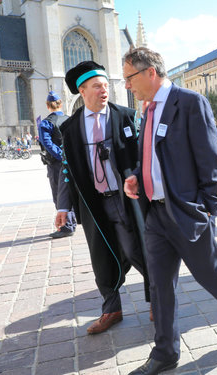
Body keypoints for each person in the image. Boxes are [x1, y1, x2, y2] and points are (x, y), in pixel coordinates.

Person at [122, 47, 217, 375]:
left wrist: (207, 208)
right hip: (155, 214)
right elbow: (152, 156)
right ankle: (165, 351)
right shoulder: (146, 110)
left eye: (129, 77)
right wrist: (137, 177)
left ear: (149, 72)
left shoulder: (189, 102)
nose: (127, 84)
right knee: (159, 284)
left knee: (211, 275)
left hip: (187, 211)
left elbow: (210, 160)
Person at [55, 61, 151, 335]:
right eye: (97, 86)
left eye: (106, 85)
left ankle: (158, 300)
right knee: (100, 256)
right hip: (93, 202)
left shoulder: (126, 116)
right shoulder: (70, 127)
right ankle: (112, 310)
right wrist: (63, 206)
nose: (104, 90)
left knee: (136, 249)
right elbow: (67, 169)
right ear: (82, 91)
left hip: (126, 199)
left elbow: (142, 155)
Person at [37, 91, 77, 238]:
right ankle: (71, 222)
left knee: (59, 194)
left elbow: (47, 143)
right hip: (71, 162)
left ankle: (67, 226)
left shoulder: (46, 123)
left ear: (48, 106)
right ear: (61, 103)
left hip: (56, 164)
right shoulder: (70, 119)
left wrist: (61, 157)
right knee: (70, 191)